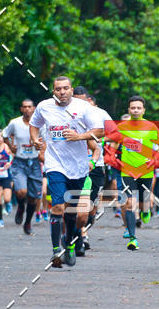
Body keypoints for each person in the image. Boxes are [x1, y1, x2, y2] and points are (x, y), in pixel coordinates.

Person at [29, 76, 104, 266]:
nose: (62, 92)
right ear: (53, 91)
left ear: (71, 89)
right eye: (58, 89)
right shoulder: (44, 107)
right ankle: (56, 251)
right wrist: (35, 140)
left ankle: (69, 242)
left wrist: (79, 136)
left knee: (72, 212)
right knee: (58, 207)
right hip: (55, 164)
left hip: (78, 168)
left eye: (65, 88)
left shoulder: (83, 107)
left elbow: (100, 131)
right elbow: (34, 125)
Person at [107, 96, 159, 251]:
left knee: (143, 203)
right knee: (130, 203)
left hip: (146, 171)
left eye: (138, 108)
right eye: (133, 108)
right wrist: (113, 156)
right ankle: (133, 238)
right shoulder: (122, 127)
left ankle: (146, 210)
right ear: (129, 110)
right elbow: (114, 144)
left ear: (143, 110)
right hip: (127, 171)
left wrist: (154, 158)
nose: (135, 110)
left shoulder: (151, 127)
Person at [73, 87, 113, 250]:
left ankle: (85, 226)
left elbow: (115, 133)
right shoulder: (67, 114)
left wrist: (98, 138)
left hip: (96, 165)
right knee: (78, 204)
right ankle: (81, 236)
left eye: (82, 100)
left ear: (88, 100)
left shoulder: (99, 113)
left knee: (91, 207)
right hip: (74, 166)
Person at [3, 100, 43, 236]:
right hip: (19, 161)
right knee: (21, 192)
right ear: (21, 109)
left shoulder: (40, 124)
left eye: (29, 107)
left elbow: (46, 141)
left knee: (33, 198)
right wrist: (11, 146)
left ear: (34, 108)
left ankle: (28, 222)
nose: (27, 109)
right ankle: (20, 206)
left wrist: (42, 150)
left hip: (35, 162)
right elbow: (4, 135)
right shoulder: (15, 123)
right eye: (24, 107)